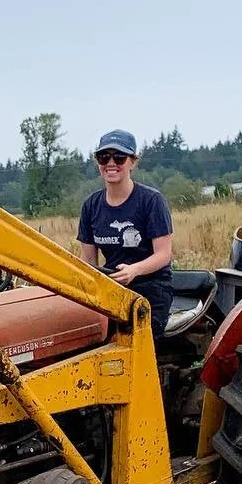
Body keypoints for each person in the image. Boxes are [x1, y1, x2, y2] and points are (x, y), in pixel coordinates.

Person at [77, 129, 174, 338]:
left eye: (119, 157)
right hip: (111, 287)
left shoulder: (151, 201)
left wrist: (134, 270)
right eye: (104, 157)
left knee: (135, 349)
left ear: (133, 162)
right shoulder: (91, 205)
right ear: (98, 163)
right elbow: (88, 261)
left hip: (151, 288)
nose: (111, 163)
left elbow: (163, 254)